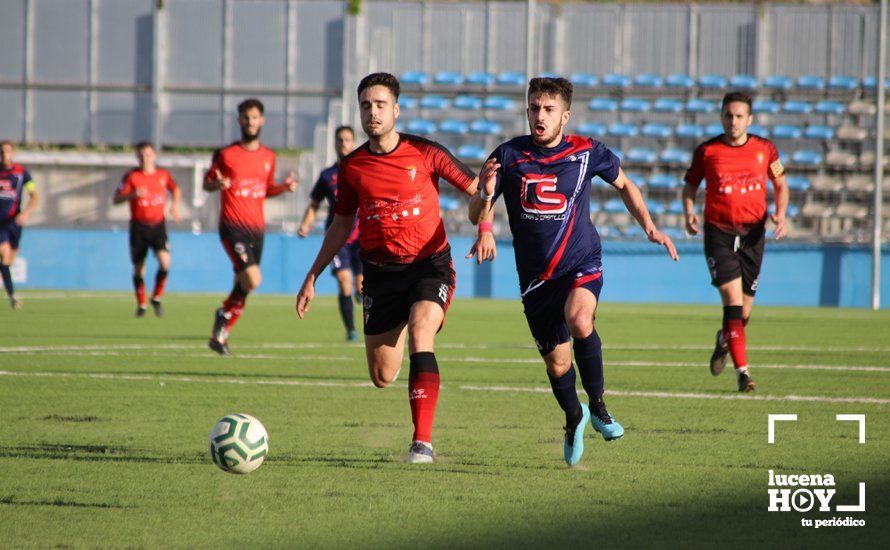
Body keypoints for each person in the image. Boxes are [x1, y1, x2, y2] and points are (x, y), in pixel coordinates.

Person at [468, 77, 678, 467]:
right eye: (533, 108)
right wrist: (483, 199)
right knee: (558, 365)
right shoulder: (508, 155)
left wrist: (649, 226)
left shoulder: (587, 152)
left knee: (580, 320)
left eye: (547, 109)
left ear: (565, 115)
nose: (538, 116)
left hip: (581, 261)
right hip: (535, 278)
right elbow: (476, 208)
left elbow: (626, 185)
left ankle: (598, 406)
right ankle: (574, 416)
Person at [295, 72, 494, 464]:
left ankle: (422, 443)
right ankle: (405, 321)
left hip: (429, 265)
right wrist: (312, 275)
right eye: (366, 105)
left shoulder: (427, 153)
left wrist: (484, 224)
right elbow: (340, 224)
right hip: (381, 275)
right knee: (383, 376)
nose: (373, 112)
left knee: (423, 330)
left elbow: (477, 195)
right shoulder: (352, 167)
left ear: (396, 110)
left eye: (380, 104)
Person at [683, 91, 788, 393]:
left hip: (754, 234)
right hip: (718, 232)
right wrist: (689, 213)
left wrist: (780, 214)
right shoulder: (707, 151)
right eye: (728, 115)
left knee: (743, 314)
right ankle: (743, 373)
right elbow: (690, 186)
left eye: (739, 116)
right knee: (732, 302)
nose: (733, 121)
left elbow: (781, 184)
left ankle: (723, 340)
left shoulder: (766, 150)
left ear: (749, 119)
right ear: (721, 117)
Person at [205, 98, 298, 355]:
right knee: (253, 278)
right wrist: (217, 184)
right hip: (232, 225)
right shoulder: (226, 154)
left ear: (262, 120)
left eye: (255, 117)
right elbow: (207, 183)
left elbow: (265, 190)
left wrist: (284, 188)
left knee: (244, 284)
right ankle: (224, 312)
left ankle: (219, 337)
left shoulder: (269, 156)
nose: (250, 122)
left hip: (257, 229)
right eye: (246, 117)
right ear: (239, 121)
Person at [298, 125, 362, 341]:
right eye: (340, 140)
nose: (343, 143)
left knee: (361, 286)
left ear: (353, 143)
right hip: (337, 238)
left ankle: (362, 300)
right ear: (335, 143)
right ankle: (351, 330)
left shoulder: (362, 170)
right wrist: (306, 223)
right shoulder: (327, 175)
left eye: (347, 140)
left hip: (361, 237)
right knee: (344, 280)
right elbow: (314, 204)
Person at [113, 141, 181, 317]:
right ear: (137, 157)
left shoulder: (163, 175)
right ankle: (141, 303)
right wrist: (132, 195)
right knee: (139, 268)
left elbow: (176, 189)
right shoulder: (132, 176)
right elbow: (116, 198)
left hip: (158, 226)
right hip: (138, 228)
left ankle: (157, 297)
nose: (145, 157)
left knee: (165, 263)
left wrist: (175, 206)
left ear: (155, 156)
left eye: (148, 154)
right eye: (141, 154)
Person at [0, 140, 39, 309]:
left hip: (15, 222)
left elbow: (35, 195)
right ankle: (12, 295)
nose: (4, 155)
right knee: (4, 254)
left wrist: (26, 213)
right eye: (1, 152)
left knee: (9, 259)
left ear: (13, 154)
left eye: (7, 152)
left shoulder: (22, 173)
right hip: (0, 223)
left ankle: (10, 292)